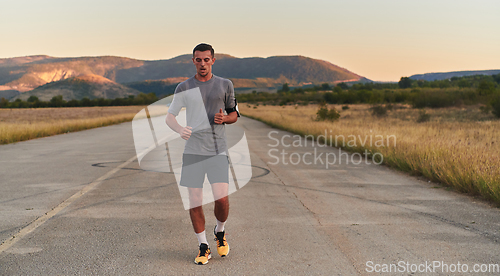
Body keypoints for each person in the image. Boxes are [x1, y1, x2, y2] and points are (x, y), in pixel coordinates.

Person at [165, 43, 239, 265]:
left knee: (222, 199)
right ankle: (203, 246)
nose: (203, 63)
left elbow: (234, 114)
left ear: (213, 61)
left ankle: (220, 231)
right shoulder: (183, 87)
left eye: (207, 59)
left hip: (217, 151)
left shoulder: (225, 85)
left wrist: (225, 119)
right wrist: (179, 129)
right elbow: (170, 117)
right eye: (198, 60)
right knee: (195, 201)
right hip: (193, 152)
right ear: (193, 61)